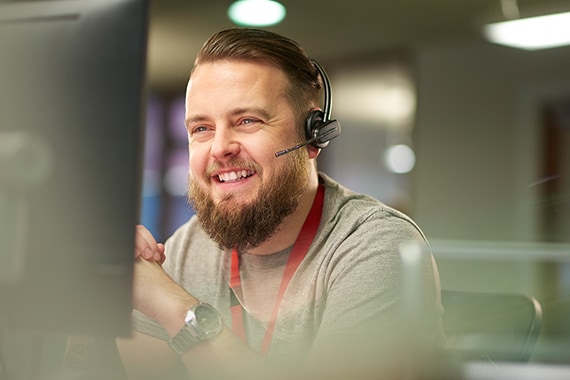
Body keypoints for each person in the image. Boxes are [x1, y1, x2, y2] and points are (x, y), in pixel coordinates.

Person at [66, 28, 446, 380]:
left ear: (313, 136)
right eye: (201, 128)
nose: (219, 148)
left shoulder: (377, 247)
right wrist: (104, 287)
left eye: (247, 121)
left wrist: (173, 306)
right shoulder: (187, 248)